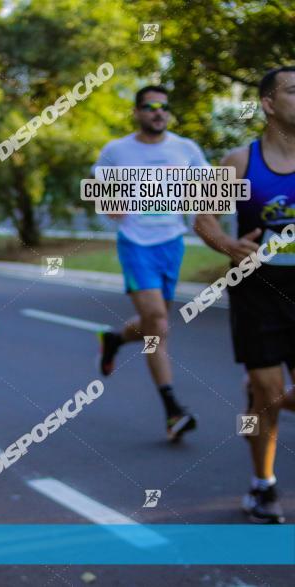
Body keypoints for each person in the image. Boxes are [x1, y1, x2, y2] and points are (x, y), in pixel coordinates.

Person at [194, 66, 295, 523]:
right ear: (270, 104)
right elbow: (205, 220)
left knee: (268, 394)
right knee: (271, 392)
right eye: (294, 91)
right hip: (257, 286)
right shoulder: (239, 161)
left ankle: (256, 391)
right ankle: (263, 486)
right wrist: (228, 246)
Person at [94, 85, 208, 442]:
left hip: (171, 244)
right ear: (137, 112)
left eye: (163, 107)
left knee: (152, 322)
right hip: (136, 244)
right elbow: (103, 191)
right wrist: (112, 201)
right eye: (149, 107)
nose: (158, 112)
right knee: (158, 323)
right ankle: (173, 410)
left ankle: (114, 338)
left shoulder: (186, 149)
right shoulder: (116, 151)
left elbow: (207, 189)